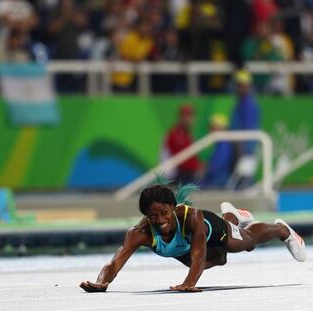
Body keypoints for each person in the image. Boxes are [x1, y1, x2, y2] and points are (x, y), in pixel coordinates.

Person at [80, 184, 306, 293]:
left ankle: (281, 230)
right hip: (188, 251)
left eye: (165, 214)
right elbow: (116, 261)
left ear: (174, 208)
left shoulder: (191, 217)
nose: (160, 221)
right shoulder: (139, 233)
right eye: (152, 216)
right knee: (219, 260)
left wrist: (189, 283)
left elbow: (199, 252)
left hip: (210, 229)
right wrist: (102, 282)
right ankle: (233, 217)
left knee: (244, 243)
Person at [229, 69, 261, 189]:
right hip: (239, 145)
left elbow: (249, 128)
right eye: (239, 85)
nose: (241, 88)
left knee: (245, 180)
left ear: (249, 86)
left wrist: (247, 149)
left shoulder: (249, 105)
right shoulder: (239, 103)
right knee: (240, 179)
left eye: (244, 85)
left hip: (246, 147)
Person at [162, 104, 203, 184]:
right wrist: (199, 167)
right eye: (188, 116)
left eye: (192, 115)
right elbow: (182, 161)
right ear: (181, 117)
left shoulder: (186, 134)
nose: (191, 119)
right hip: (174, 177)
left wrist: (199, 166)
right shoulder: (175, 135)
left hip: (183, 174)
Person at [201, 114, 234, 189]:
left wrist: (204, 169)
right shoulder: (222, 144)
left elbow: (215, 168)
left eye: (213, 127)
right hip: (216, 181)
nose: (210, 130)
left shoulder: (224, 145)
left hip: (217, 183)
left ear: (221, 128)